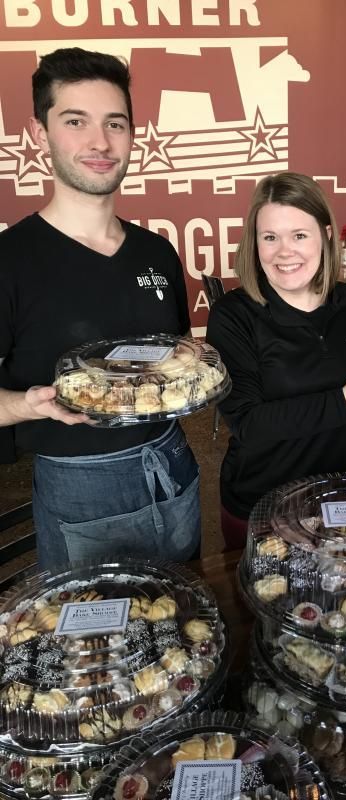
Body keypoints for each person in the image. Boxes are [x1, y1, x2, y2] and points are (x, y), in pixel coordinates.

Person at [0, 48, 200, 570]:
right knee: (95, 642)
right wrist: (28, 405)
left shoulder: (157, 252)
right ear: (40, 134)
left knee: (187, 623)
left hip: (174, 463)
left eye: (116, 123)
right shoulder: (9, 260)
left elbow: (175, 357)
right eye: (75, 121)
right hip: (79, 483)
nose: (100, 142)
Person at [206, 172, 346, 549]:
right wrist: (344, 398)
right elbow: (247, 423)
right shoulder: (234, 316)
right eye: (270, 237)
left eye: (299, 235)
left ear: (325, 235)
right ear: (254, 243)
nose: (284, 251)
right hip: (264, 503)